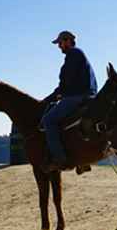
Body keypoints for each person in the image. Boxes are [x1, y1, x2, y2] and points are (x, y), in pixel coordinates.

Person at [42, 30, 98, 170]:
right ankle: (81, 160)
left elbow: (66, 83)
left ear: (68, 41)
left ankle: (60, 159)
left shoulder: (73, 54)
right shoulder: (79, 54)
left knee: (48, 121)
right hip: (87, 95)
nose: (59, 46)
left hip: (78, 97)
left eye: (60, 43)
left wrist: (47, 99)